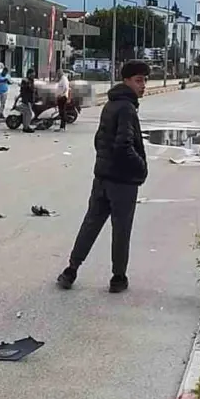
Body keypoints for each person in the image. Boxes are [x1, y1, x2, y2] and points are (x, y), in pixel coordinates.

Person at [57, 60, 151, 294]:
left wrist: (104, 165)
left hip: (102, 178)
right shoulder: (127, 108)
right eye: (139, 80)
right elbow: (123, 145)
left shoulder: (111, 105)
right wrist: (141, 169)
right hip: (122, 182)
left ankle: (70, 270)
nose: (143, 85)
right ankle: (118, 278)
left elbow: (99, 141)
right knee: (121, 230)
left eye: (145, 80)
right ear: (127, 81)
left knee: (90, 224)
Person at [18, 69, 37, 133]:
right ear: (29, 74)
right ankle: (26, 127)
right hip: (27, 99)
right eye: (33, 74)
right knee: (29, 113)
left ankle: (25, 127)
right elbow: (24, 89)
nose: (34, 75)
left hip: (30, 99)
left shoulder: (31, 80)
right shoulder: (25, 80)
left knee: (26, 113)